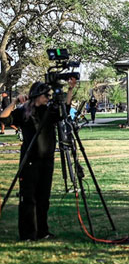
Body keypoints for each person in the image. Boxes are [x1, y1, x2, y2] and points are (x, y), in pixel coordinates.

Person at [0, 77, 77, 240]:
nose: (48, 98)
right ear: (37, 95)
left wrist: (70, 90)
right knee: (28, 198)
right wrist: (14, 102)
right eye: (46, 95)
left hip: (47, 160)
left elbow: (65, 110)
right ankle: (28, 233)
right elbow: (4, 118)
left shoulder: (49, 112)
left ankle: (43, 231)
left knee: (44, 198)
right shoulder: (24, 111)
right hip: (29, 160)